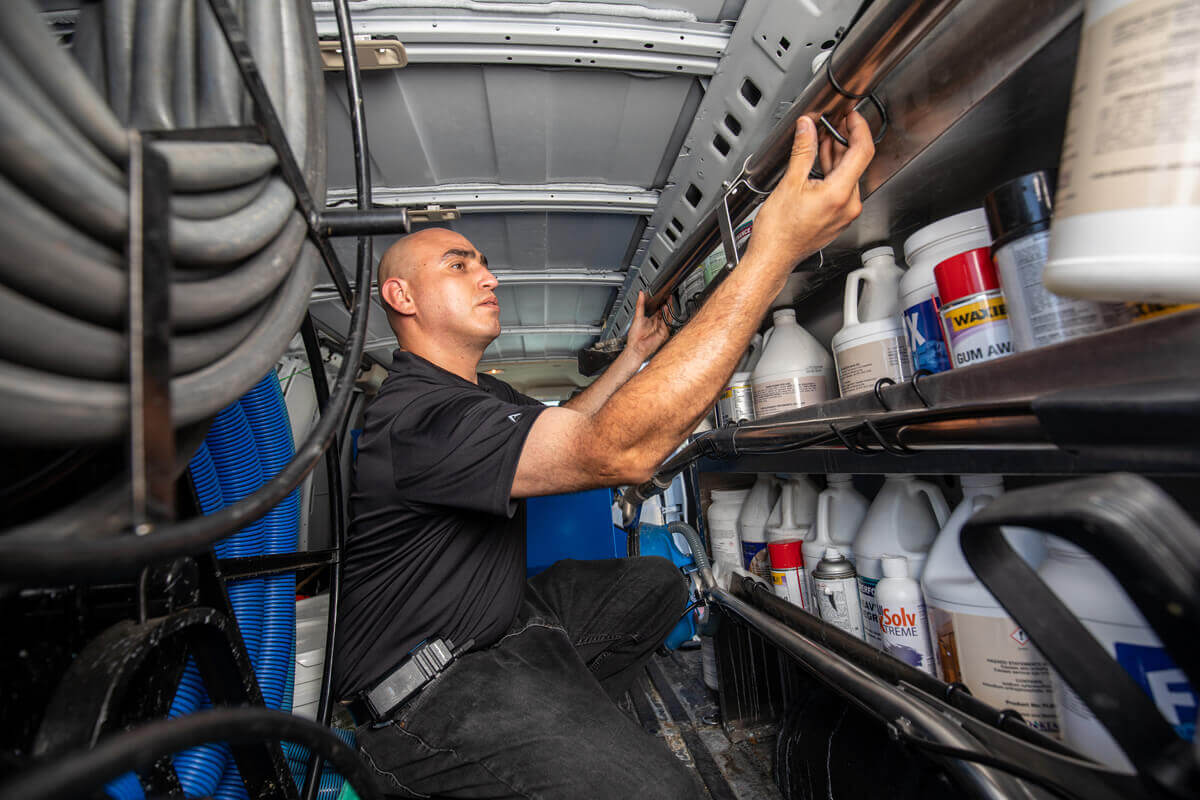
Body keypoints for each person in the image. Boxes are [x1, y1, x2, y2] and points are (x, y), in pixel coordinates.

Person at [336, 111, 875, 798]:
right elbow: (617, 450)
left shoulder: (474, 393)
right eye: (460, 263)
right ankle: (549, 753)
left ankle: (567, 723)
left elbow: (564, 424)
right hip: (429, 694)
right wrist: (773, 254)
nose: (489, 276)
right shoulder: (417, 416)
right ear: (401, 296)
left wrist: (633, 360)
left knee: (654, 584)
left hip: (505, 628)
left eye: (485, 263)